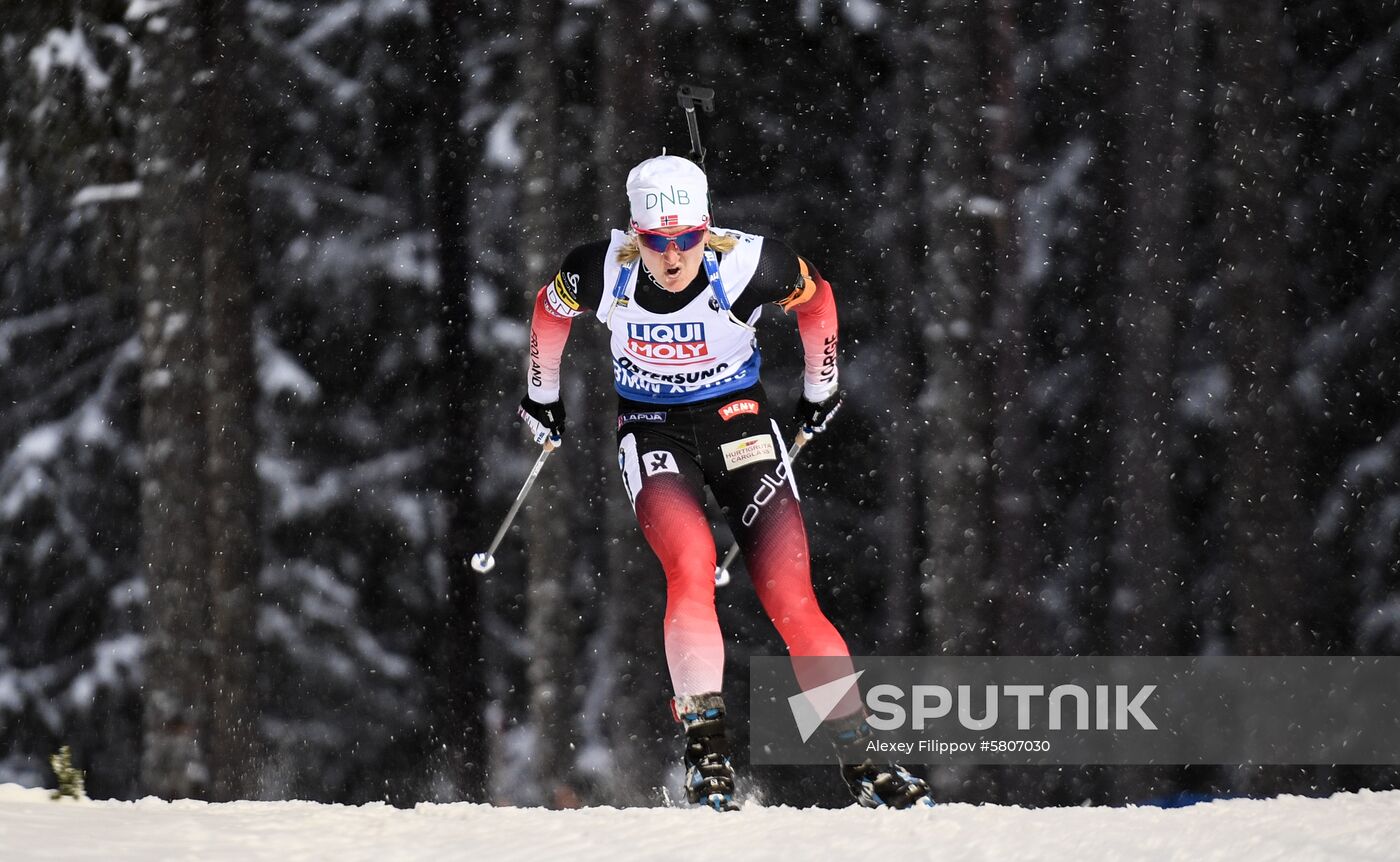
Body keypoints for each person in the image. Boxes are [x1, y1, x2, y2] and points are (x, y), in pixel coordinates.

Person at [518, 155, 930, 811]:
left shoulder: (749, 264)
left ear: (705, 227)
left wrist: (821, 388)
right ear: (635, 233)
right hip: (652, 428)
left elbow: (818, 300)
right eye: (656, 240)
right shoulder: (600, 270)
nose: (672, 255)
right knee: (691, 565)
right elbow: (548, 311)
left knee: (791, 597)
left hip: (738, 423)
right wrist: (541, 397)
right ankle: (706, 752)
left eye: (686, 238)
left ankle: (861, 758)